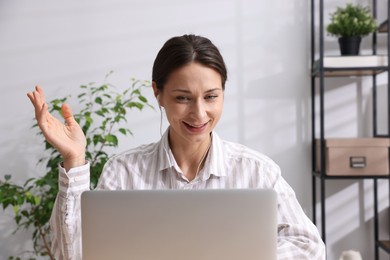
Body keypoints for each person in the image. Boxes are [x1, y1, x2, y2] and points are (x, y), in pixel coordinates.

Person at [27, 34, 325, 260]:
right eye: (183, 98)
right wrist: (75, 159)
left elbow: (308, 246)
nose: (199, 113)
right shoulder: (124, 171)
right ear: (158, 93)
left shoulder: (257, 170)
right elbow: (75, 254)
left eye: (211, 97)